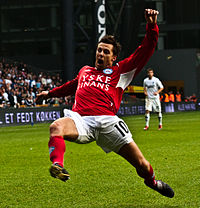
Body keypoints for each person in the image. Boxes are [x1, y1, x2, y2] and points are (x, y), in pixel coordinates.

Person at [36, 9, 174, 198]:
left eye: (106, 51)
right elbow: (71, 86)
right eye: (99, 50)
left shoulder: (122, 71)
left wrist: (152, 26)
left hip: (108, 122)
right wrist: (48, 94)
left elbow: (146, 49)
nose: (100, 53)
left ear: (113, 57)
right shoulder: (85, 71)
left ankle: (153, 182)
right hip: (81, 120)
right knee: (56, 127)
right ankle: (58, 165)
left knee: (141, 164)